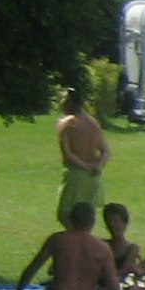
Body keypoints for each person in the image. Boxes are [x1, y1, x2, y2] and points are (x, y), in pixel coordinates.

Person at [54, 88, 109, 223]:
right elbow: (105, 151)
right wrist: (98, 165)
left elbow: (68, 153)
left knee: (64, 215)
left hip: (76, 175)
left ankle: (77, 236)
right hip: (93, 177)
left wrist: (85, 166)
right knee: (85, 218)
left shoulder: (67, 123)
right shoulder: (93, 123)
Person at [101, 202, 141, 285]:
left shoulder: (131, 248)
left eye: (116, 221)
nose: (112, 225)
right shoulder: (102, 245)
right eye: (109, 221)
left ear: (124, 223)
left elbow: (124, 271)